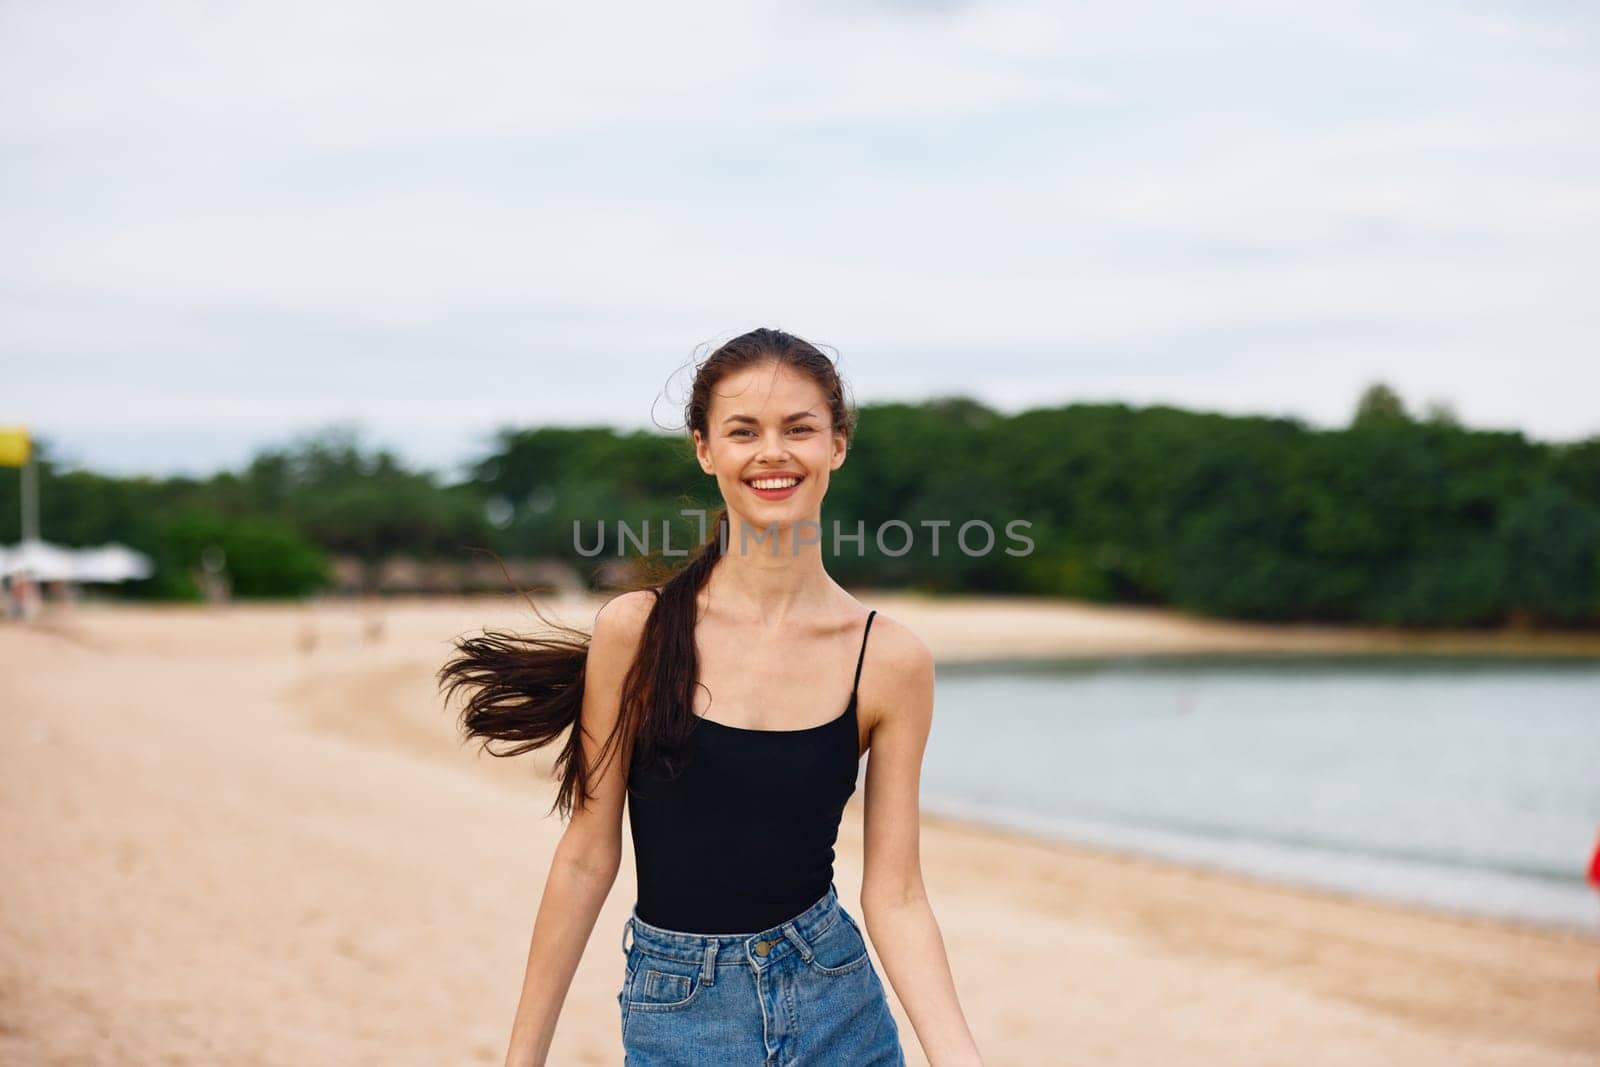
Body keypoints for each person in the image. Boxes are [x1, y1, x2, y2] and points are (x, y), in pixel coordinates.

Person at [439, 328, 983, 1066]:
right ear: (705, 449)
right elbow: (585, 858)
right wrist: (522, 1057)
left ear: (838, 444)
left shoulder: (889, 660)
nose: (773, 453)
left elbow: (898, 896)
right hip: (680, 1014)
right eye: (743, 431)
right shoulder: (637, 632)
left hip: (840, 1008)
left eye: (799, 428)